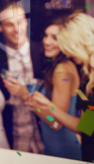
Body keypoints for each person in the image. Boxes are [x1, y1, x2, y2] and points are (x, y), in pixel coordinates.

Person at [10, 18, 81, 159]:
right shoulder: (55, 66)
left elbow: (55, 124)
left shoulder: (62, 70)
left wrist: (25, 97)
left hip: (63, 150)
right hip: (53, 148)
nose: (47, 41)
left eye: (55, 38)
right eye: (46, 35)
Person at [29, 12, 94, 162]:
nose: (68, 53)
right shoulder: (88, 77)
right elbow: (87, 127)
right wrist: (48, 106)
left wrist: (47, 107)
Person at [0, 1, 44, 153]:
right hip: (12, 138)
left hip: (46, 136)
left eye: (20, 22)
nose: (16, 29)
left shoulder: (43, 51)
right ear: (0, 27)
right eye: (9, 24)